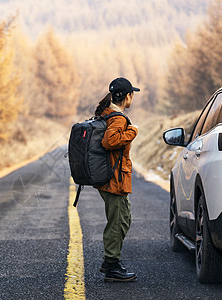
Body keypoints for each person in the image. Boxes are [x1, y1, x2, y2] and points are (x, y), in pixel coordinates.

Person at [95, 77, 139, 282]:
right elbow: (110, 141)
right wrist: (132, 131)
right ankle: (112, 265)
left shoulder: (106, 113)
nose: (133, 98)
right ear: (127, 96)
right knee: (118, 221)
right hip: (115, 178)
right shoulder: (118, 118)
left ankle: (110, 261)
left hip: (109, 176)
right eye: (132, 94)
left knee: (123, 218)